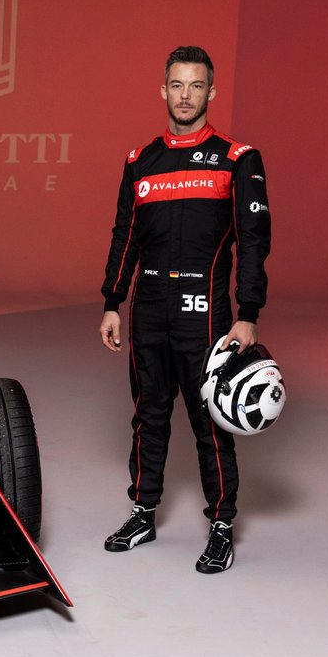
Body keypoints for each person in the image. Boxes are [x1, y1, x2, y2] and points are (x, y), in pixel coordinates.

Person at [98, 45, 270, 574]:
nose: (186, 95)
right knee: (148, 416)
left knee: (209, 421)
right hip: (148, 308)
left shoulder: (237, 158)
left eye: (196, 85)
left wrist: (248, 312)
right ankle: (142, 513)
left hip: (207, 314)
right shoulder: (140, 161)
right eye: (177, 85)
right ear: (163, 90)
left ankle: (221, 527)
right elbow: (125, 235)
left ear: (211, 91)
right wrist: (112, 301)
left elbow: (254, 241)